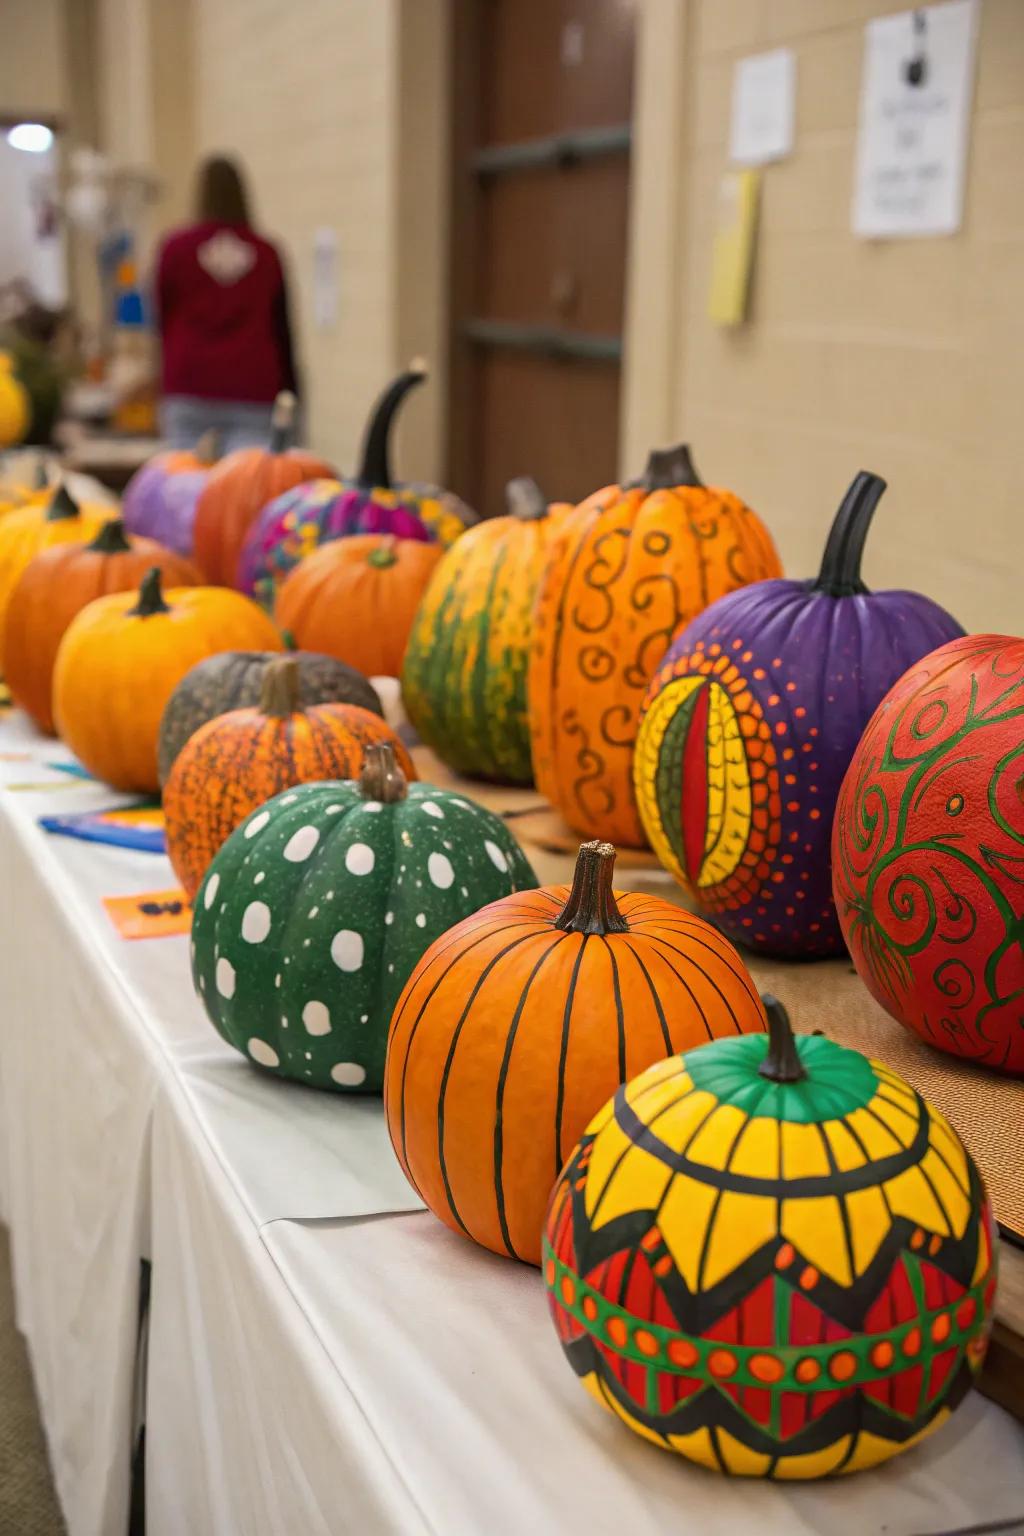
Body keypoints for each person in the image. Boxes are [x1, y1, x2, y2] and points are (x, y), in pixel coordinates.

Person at [154, 155, 298, 451]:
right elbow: (282, 329)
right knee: (249, 489)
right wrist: (293, 393)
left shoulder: (176, 249)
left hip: (189, 382)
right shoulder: (266, 253)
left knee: (184, 485)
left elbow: (161, 317)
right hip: (253, 386)